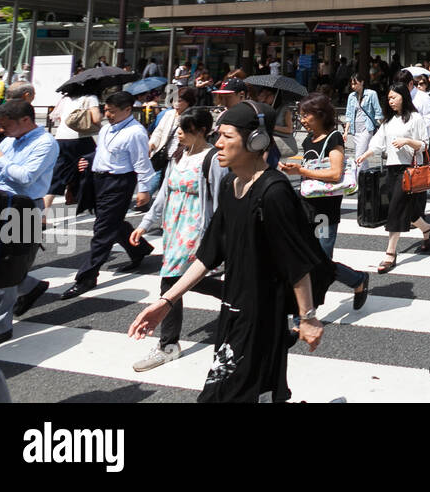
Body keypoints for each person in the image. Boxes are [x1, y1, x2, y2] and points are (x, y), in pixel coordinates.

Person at [129, 101, 330, 402]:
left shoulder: (273, 192)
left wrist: (308, 317)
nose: (218, 144)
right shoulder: (230, 186)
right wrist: (166, 302)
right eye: (218, 135)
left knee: (221, 396)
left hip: (261, 317)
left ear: (255, 141)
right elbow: (208, 255)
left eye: (227, 136)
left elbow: (296, 263)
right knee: (254, 393)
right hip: (233, 309)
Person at [129, 107, 228, 371]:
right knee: (188, 280)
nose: (180, 134)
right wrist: (146, 224)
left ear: (202, 131)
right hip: (173, 229)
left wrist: (217, 237)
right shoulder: (178, 157)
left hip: (196, 229)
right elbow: (163, 194)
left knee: (171, 281)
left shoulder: (213, 159)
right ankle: (238, 297)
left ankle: (168, 345)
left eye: (186, 130)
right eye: (180, 129)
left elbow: (219, 202)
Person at [61, 92, 157, 299]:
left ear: (127, 110)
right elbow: (103, 151)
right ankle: (139, 249)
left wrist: (144, 189)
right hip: (99, 180)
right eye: (106, 110)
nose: (108, 115)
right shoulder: (106, 129)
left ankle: (87, 277)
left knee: (102, 229)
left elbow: (142, 162)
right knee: (111, 222)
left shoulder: (135, 132)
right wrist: (88, 159)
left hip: (119, 183)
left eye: (112, 112)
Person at [0, 97, 58, 346]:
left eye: (6, 125)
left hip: (22, 205)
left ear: (25, 120)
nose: (1, 130)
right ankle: (30, 286)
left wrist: (0, 160)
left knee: (6, 263)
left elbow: (26, 177)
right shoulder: (10, 140)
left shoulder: (46, 143)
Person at [279, 94, 370, 305]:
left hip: (324, 213)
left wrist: (301, 170)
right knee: (304, 259)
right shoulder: (308, 139)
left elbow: (335, 174)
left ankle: (356, 280)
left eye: (306, 114)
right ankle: (304, 312)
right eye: (301, 115)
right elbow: (310, 171)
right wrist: (295, 170)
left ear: (320, 115)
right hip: (305, 207)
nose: (302, 119)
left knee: (320, 262)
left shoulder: (334, 138)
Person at [357, 82, 430, 270]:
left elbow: (425, 145)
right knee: (406, 211)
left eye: (394, 97)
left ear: (404, 96)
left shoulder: (416, 118)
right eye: (389, 98)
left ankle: (390, 253)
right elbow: (378, 143)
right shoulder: (388, 121)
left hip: (408, 170)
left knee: (395, 209)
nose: (390, 100)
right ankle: (427, 229)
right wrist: (365, 155)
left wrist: (408, 141)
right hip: (391, 170)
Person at [43, 83, 102, 211]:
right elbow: (96, 118)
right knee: (93, 164)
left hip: (60, 138)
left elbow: (57, 117)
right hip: (81, 138)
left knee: (58, 174)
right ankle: (82, 196)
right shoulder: (90, 98)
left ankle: (43, 213)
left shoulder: (66, 99)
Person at [344, 74, 382, 176]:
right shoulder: (351, 96)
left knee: (359, 155)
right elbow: (348, 114)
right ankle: (366, 179)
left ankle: (357, 181)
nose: (353, 86)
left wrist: (382, 126)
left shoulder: (371, 94)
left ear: (362, 82)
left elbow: (378, 111)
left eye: (355, 83)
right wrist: (346, 131)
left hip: (367, 128)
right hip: (355, 129)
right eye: (351, 84)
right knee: (363, 156)